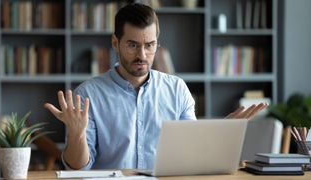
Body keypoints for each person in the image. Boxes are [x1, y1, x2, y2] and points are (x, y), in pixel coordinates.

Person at [44, 3, 267, 170]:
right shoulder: (88, 95)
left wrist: (218, 134)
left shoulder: (177, 89)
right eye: (132, 45)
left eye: (149, 45)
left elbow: (190, 156)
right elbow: (79, 168)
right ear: (115, 43)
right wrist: (77, 134)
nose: (142, 55)